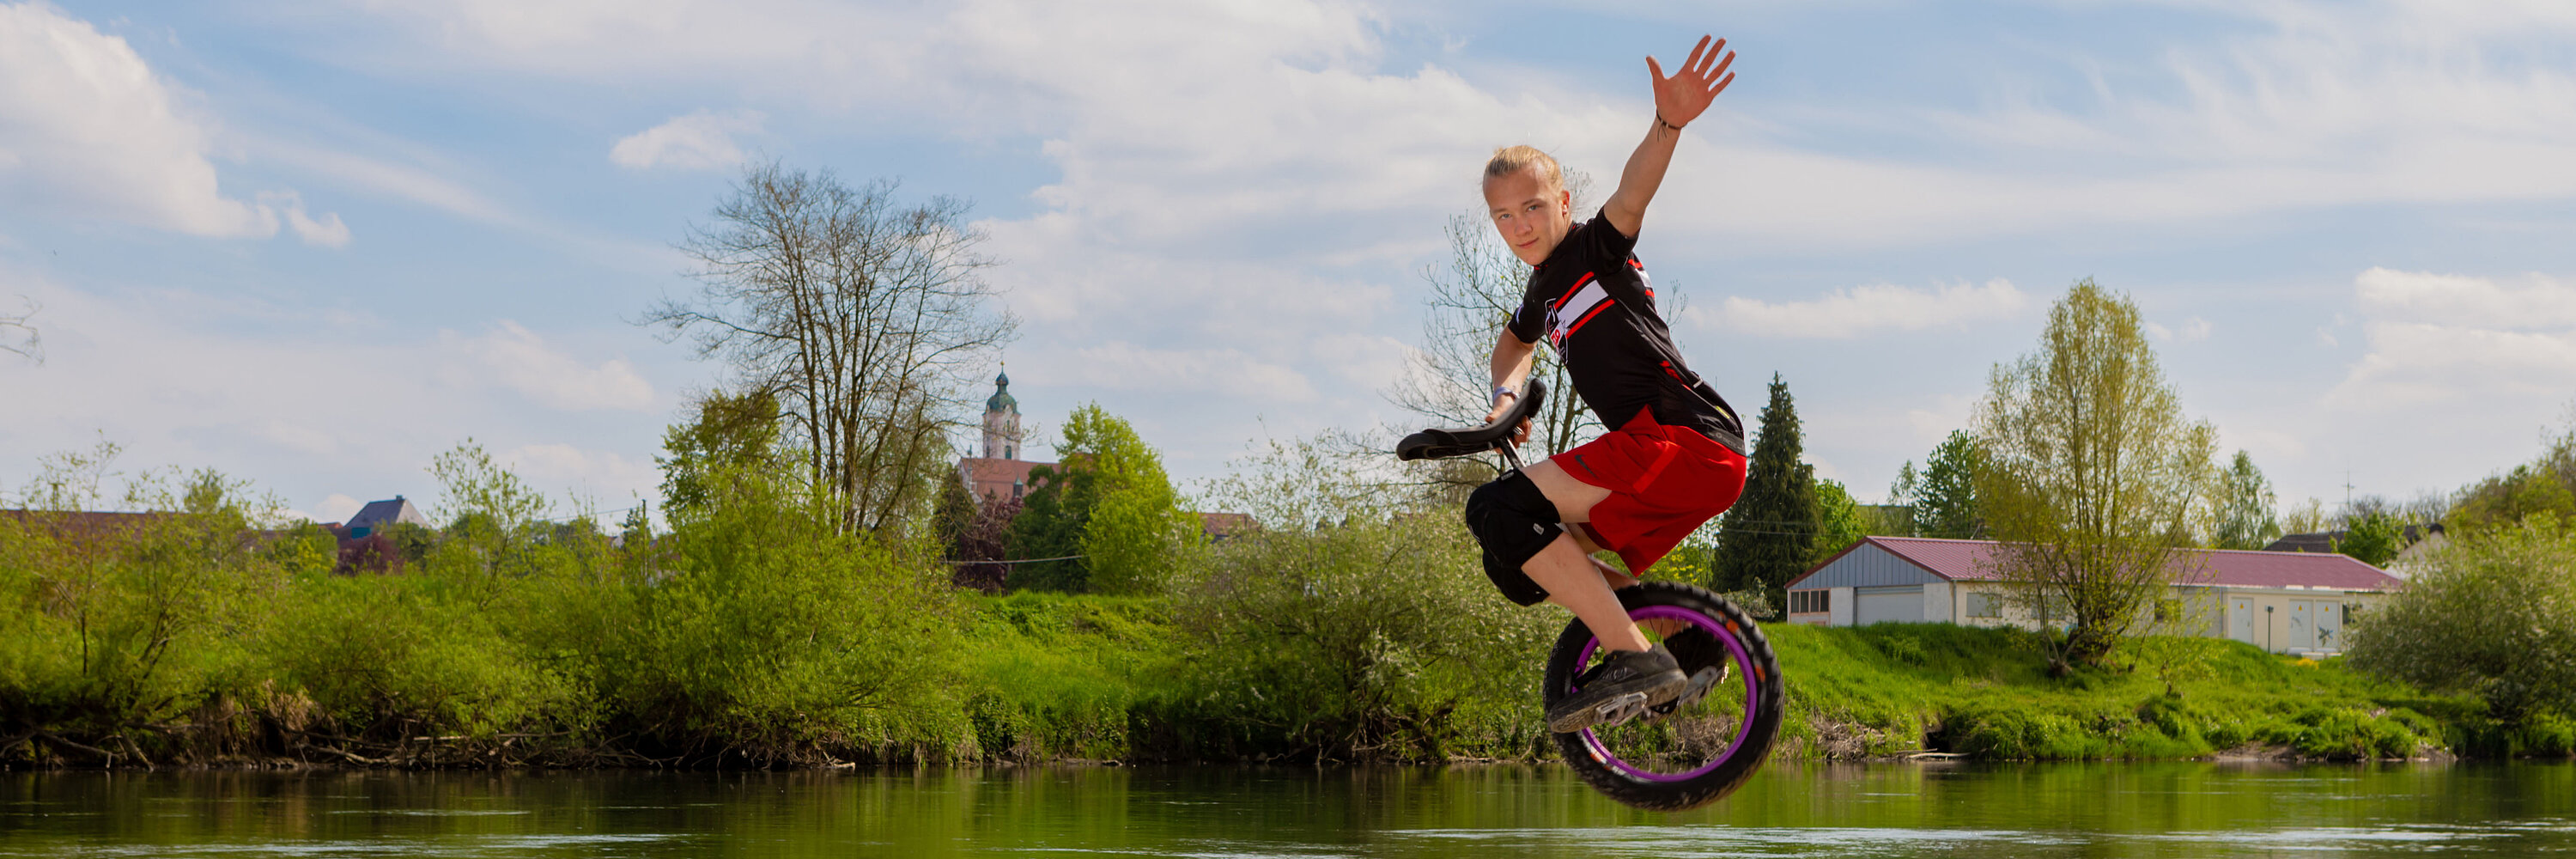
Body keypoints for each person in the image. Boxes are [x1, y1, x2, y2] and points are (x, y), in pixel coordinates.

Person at [1463, 35, 1749, 734]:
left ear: (1562, 202)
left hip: (1687, 441)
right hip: (1672, 460)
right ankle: (1687, 643)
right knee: (1517, 560)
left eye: (1531, 207)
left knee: (1498, 509)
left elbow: (1633, 191)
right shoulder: (1543, 291)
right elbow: (1514, 344)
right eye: (1503, 217)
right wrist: (1506, 399)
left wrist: (1669, 124)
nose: (1519, 226)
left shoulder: (1595, 248)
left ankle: (1636, 657)